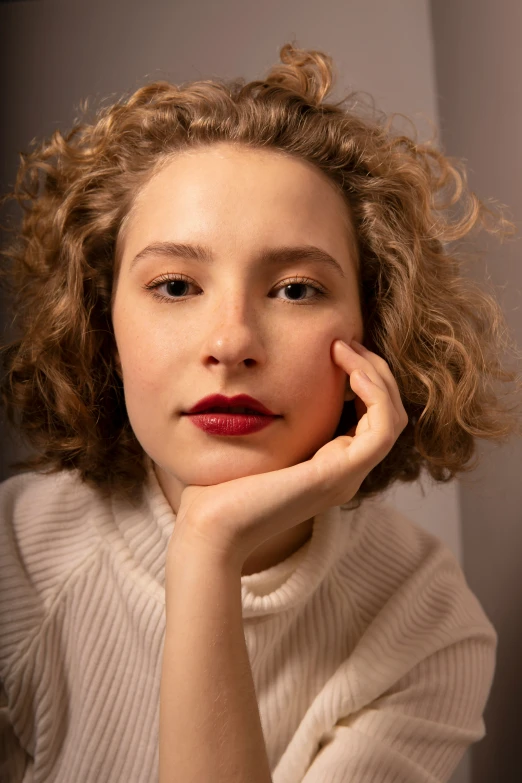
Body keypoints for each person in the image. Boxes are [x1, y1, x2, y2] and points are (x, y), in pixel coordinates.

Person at [0, 42, 520, 783]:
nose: (232, 342)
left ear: (377, 330)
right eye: (176, 285)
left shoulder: (427, 624)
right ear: (98, 320)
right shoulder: (14, 558)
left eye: (297, 289)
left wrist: (208, 546)